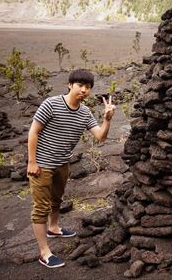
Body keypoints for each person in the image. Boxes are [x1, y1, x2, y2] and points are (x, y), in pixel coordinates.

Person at [27, 69, 115, 268]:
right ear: (70, 85)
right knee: (41, 208)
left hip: (62, 163)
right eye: (80, 86)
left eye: (88, 87)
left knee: (57, 199)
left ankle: (54, 227)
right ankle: (44, 253)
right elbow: (33, 132)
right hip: (42, 164)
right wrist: (32, 162)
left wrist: (107, 118)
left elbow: (100, 136)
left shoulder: (84, 113)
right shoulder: (51, 104)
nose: (84, 90)